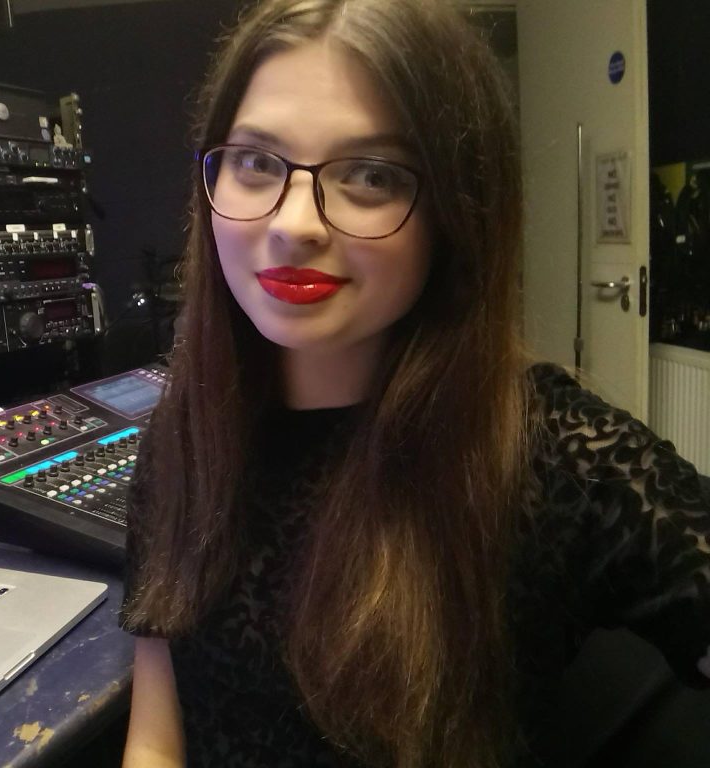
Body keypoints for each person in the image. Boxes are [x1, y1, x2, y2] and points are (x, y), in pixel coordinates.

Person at [117, 1, 710, 766]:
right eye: (258, 162)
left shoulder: (551, 455)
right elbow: (157, 738)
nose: (296, 223)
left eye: (369, 175)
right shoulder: (182, 437)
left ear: (455, 213)